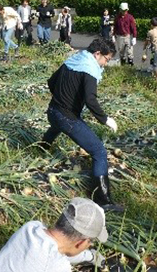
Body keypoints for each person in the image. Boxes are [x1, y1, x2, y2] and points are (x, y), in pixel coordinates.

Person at [42, 38, 122, 211]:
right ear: (97, 54)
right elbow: (90, 100)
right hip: (66, 117)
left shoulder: (73, 60)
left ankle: (40, 148)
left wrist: (62, 99)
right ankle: (104, 201)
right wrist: (105, 119)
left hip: (53, 111)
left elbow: (51, 82)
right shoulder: (89, 69)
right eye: (106, 60)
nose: (105, 64)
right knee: (99, 151)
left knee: (56, 126)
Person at [0, 197, 108, 272]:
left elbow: (61, 252)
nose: (89, 244)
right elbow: (58, 259)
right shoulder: (58, 268)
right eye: (91, 242)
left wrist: (90, 257)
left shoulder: (31, 228)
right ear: (80, 243)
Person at [142, 17, 157, 85]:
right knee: (154, 62)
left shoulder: (150, 32)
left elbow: (147, 41)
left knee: (156, 65)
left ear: (151, 25)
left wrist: (144, 48)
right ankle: (155, 77)